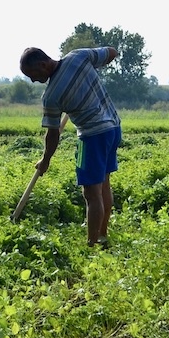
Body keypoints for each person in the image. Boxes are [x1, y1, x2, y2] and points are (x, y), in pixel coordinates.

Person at [20, 45, 121, 248]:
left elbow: (53, 133)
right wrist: (91, 70)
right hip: (113, 128)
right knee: (104, 185)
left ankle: (92, 245)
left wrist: (45, 160)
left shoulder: (51, 96)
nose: (32, 80)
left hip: (92, 137)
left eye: (32, 74)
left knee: (91, 194)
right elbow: (112, 52)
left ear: (43, 64)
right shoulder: (79, 57)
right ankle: (102, 234)